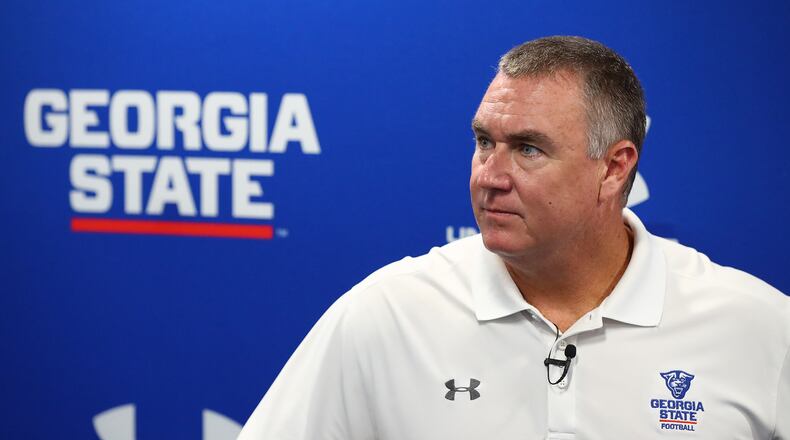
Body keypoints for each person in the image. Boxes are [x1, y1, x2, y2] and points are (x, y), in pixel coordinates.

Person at [238, 36, 789, 439]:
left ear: (615, 167)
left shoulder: (757, 326)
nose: (489, 176)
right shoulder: (387, 313)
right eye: (484, 142)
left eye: (528, 149)